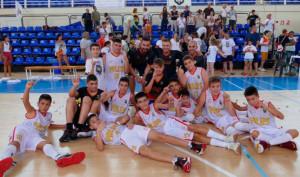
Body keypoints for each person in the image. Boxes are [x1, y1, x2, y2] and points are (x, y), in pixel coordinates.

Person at [0, 80, 86, 176]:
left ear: (50, 105)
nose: (44, 106)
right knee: (15, 143)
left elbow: (49, 126)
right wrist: (27, 88)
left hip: (34, 136)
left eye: (47, 104)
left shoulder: (48, 115)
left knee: (46, 144)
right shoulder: (32, 112)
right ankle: (3, 161)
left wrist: (66, 125)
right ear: (38, 104)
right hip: (23, 130)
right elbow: (25, 101)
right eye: (42, 103)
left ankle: (59, 157)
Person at [87, 114, 203, 173]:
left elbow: (125, 118)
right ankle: (178, 161)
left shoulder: (109, 123)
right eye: (94, 122)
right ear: (91, 127)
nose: (97, 121)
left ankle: (193, 145)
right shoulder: (96, 135)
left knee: (160, 136)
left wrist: (125, 123)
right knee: (145, 152)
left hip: (131, 129)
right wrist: (98, 130)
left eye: (97, 119)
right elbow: (100, 148)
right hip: (126, 137)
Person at [133, 92, 241, 154]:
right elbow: (135, 127)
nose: (143, 103)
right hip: (168, 132)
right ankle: (228, 144)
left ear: (148, 100)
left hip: (171, 122)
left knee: (193, 128)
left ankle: (225, 139)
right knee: (195, 137)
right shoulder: (138, 116)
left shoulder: (155, 106)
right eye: (140, 102)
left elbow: (169, 106)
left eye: (145, 100)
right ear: (137, 104)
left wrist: (171, 102)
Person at [233, 86, 299, 153]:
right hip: (260, 132)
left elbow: (281, 117)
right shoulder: (249, 106)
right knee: (253, 133)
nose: (251, 102)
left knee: (295, 132)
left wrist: (266, 108)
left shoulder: (267, 103)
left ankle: (268, 143)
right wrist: (228, 100)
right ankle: (282, 143)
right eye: (248, 100)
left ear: (258, 96)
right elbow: (239, 108)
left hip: (272, 130)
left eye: (253, 99)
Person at [59, 74, 104, 142]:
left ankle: (79, 128)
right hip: (78, 118)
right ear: (87, 84)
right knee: (70, 99)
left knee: (86, 99)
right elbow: (71, 94)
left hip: (89, 122)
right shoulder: (83, 90)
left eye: (96, 83)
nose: (94, 86)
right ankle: (69, 128)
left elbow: (104, 110)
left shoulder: (101, 93)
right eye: (91, 84)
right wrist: (75, 86)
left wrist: (103, 99)